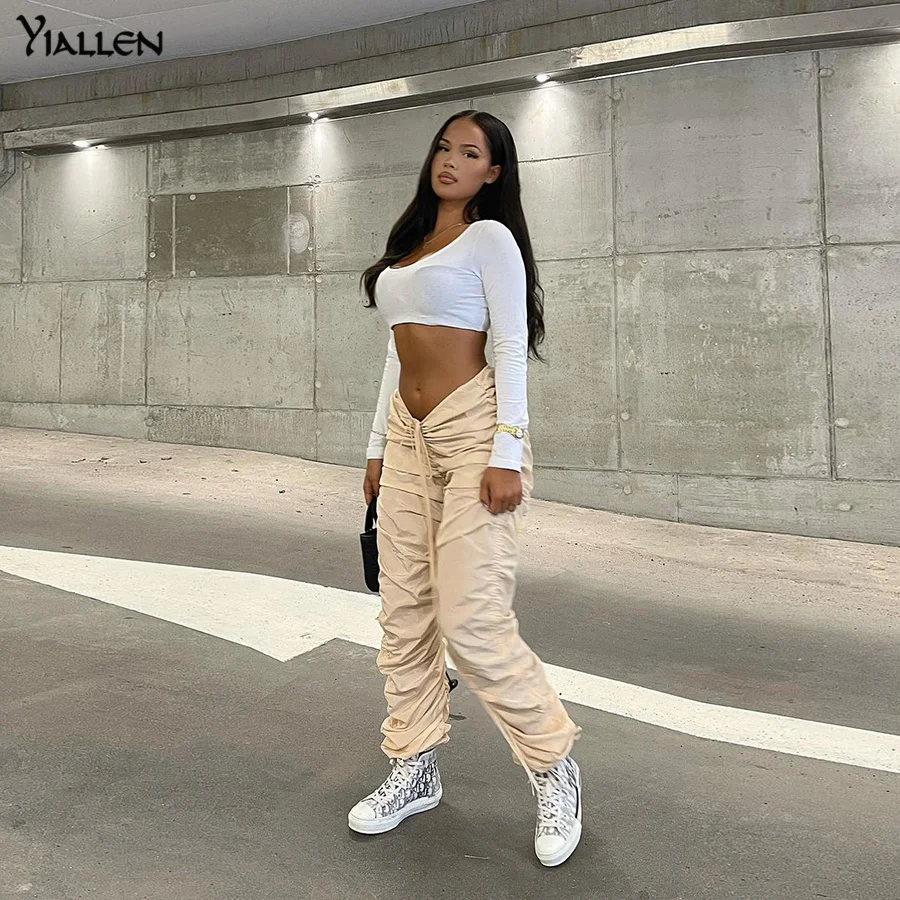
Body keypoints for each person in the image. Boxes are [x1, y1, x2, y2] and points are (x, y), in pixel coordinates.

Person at [351, 109, 583, 867]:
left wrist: (508, 449)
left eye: (470, 152)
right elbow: (397, 354)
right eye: (444, 148)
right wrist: (378, 446)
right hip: (407, 438)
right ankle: (413, 766)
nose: (450, 160)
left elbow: (510, 343)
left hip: (474, 433)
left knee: (472, 621)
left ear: (494, 172)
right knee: (404, 615)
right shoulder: (409, 247)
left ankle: (553, 765)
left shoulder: (491, 240)